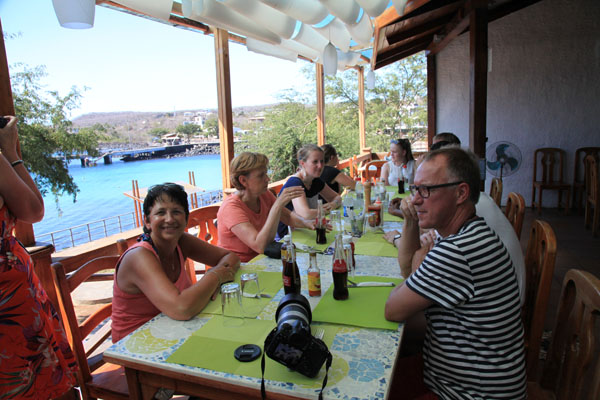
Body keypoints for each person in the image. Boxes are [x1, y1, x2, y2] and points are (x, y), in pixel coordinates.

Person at [385, 147, 526, 399]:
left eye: (426, 189)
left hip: (467, 393)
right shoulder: (472, 231)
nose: (416, 199)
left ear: (461, 193)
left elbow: (392, 309)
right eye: (415, 189)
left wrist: (418, 267)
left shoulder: (458, 250)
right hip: (468, 379)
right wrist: (418, 271)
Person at [0, 116, 78, 399]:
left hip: (13, 291)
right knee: (40, 380)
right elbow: (33, 210)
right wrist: (9, 152)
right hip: (10, 295)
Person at [112, 183, 240, 343]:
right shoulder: (139, 256)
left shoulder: (181, 241)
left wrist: (216, 277)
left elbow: (231, 257)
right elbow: (182, 308)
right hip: (137, 345)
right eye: (160, 212)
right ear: (147, 221)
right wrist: (215, 276)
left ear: (186, 218)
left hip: (175, 330)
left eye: (176, 212)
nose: (169, 219)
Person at [217, 152, 315, 262]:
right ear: (243, 180)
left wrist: (307, 223)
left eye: (266, 174)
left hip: (263, 260)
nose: (267, 179)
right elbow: (260, 246)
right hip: (238, 267)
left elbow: (287, 217)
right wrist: (277, 205)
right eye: (261, 175)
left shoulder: (263, 194)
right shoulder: (231, 208)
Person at [276, 144, 342, 239]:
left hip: (307, 228)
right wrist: (325, 210)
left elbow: (337, 197)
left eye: (322, 161)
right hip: (289, 235)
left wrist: (333, 204)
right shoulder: (295, 182)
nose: (320, 166)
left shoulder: (315, 180)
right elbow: (305, 214)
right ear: (303, 163)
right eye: (315, 162)